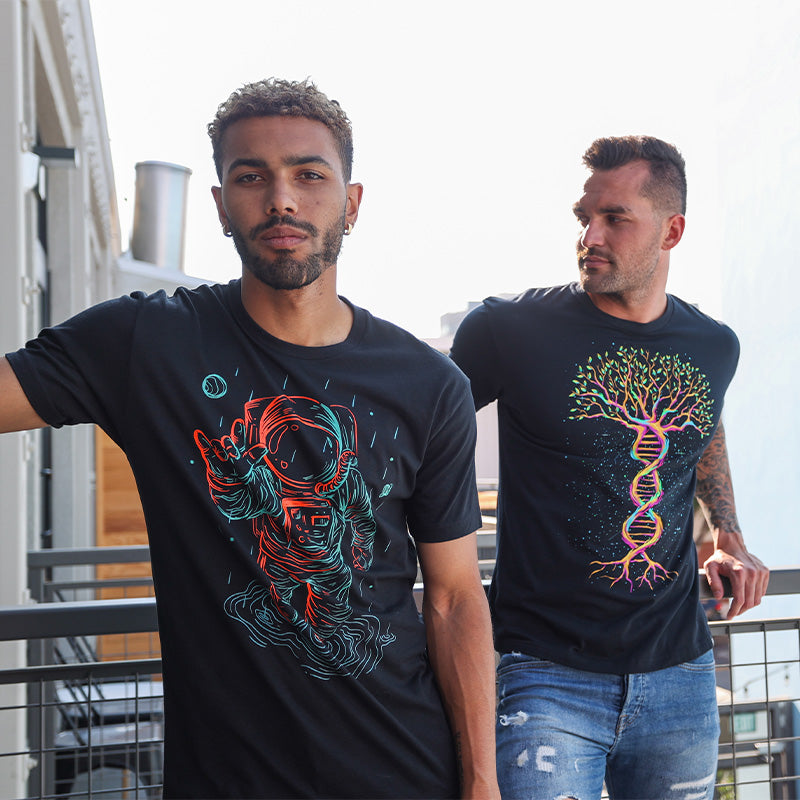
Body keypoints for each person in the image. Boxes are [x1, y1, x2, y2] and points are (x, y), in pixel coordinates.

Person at [1, 78, 499, 800]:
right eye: (251, 176)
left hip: (405, 770)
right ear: (219, 204)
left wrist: (482, 783)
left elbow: (453, 599)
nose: (282, 200)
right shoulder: (148, 345)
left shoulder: (429, 384)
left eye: (309, 175)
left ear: (352, 203)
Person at [450, 135, 769, 800]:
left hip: (680, 675)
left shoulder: (713, 345)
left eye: (615, 218)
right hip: (544, 675)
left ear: (671, 231)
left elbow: (705, 425)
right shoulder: (509, 330)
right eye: (584, 217)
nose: (589, 237)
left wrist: (727, 534)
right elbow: (423, 434)